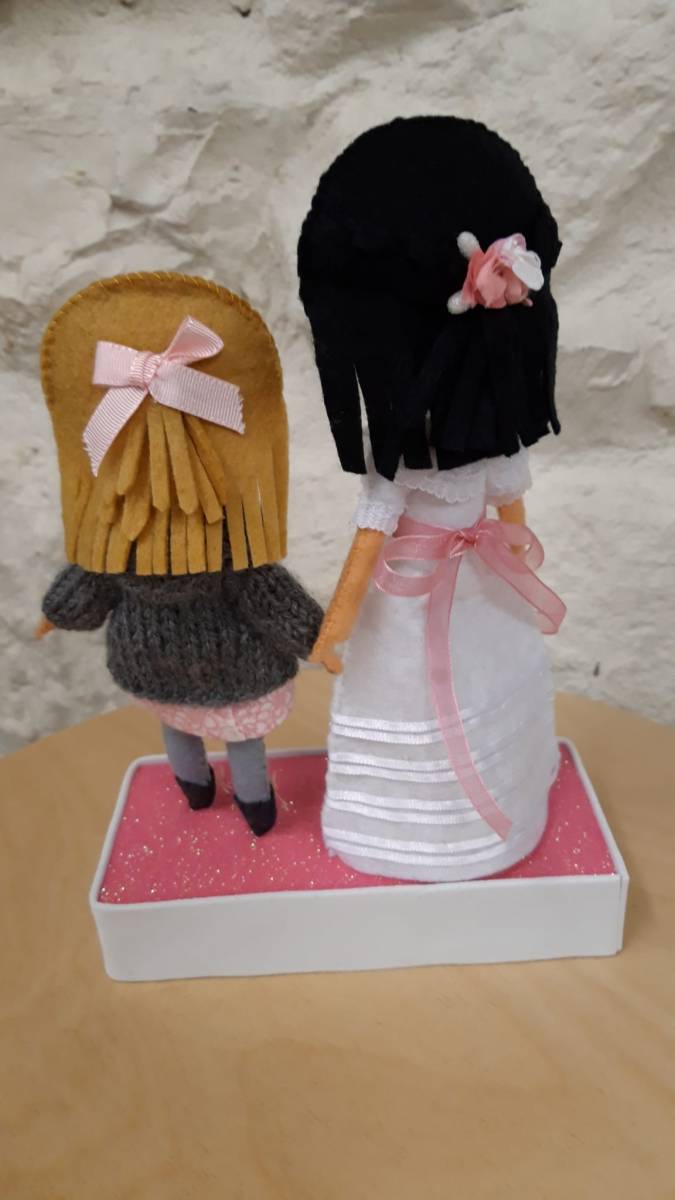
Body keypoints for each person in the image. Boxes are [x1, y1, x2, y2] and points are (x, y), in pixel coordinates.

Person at [298, 116, 565, 881]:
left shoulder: (487, 444)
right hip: (413, 596)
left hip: (476, 588)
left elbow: (504, 505)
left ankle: (499, 803)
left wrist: (514, 560)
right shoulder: (406, 461)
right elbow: (373, 535)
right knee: (413, 695)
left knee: (488, 680)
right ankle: (415, 835)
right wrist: (337, 625)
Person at [38, 272, 322, 836]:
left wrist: (56, 612)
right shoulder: (233, 542)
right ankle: (255, 804)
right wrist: (315, 639)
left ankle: (195, 790)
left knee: (176, 723)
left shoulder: (117, 541)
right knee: (241, 734)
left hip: (148, 659)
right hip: (235, 662)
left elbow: (88, 585)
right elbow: (268, 596)